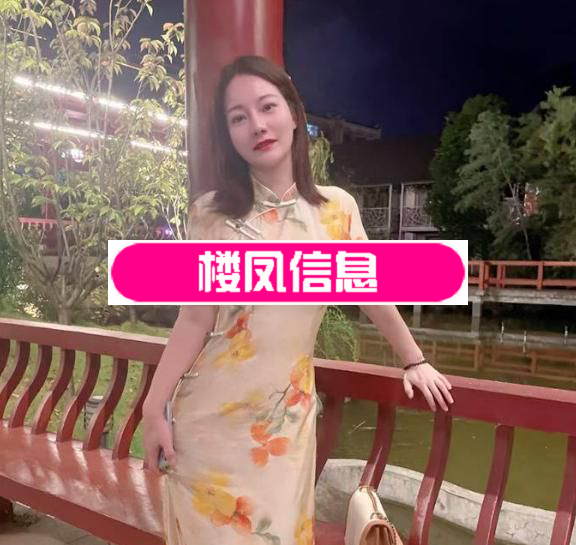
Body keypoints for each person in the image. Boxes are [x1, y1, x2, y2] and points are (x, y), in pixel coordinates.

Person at [142, 55, 454, 545]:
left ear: (293, 113)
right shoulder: (210, 215)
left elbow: (370, 290)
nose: (257, 125)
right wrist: (153, 406)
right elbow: (194, 320)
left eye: (267, 107)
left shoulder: (335, 212)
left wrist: (414, 360)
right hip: (205, 427)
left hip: (281, 428)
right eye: (238, 117)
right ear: (228, 134)